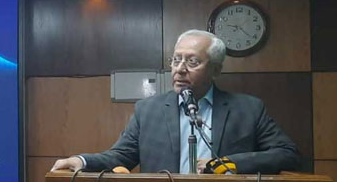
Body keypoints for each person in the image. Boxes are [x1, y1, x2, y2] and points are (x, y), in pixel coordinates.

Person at [51, 29, 301, 174]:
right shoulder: (148, 110)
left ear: (215, 70)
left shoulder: (248, 109)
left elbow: (287, 154)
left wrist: (229, 164)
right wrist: (82, 161)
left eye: (192, 62)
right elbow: (121, 156)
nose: (180, 69)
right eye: (176, 59)